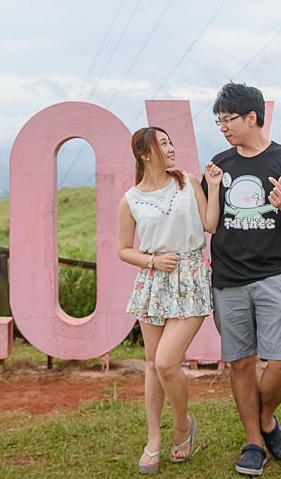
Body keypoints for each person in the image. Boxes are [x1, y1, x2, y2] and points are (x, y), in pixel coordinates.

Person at [202, 82, 281, 477]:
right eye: (218, 121)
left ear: (252, 117)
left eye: (228, 119)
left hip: (274, 275)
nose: (223, 127)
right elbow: (210, 223)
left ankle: (265, 418)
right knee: (241, 363)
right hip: (228, 279)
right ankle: (253, 442)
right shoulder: (219, 165)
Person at [118, 126, 223, 474]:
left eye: (170, 140)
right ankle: (153, 441)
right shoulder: (130, 199)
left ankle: (182, 425)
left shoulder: (187, 182)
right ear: (145, 155)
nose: (171, 147)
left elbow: (210, 224)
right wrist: (152, 261)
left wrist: (215, 185)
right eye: (162, 144)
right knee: (151, 364)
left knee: (165, 362)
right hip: (153, 281)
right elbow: (123, 250)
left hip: (190, 276)